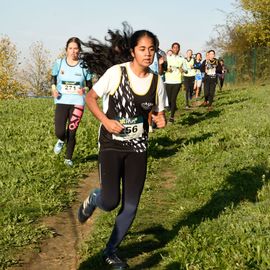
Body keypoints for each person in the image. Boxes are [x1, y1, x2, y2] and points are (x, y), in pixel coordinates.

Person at [77, 23, 167, 269]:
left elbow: (156, 113)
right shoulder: (116, 73)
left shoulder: (157, 82)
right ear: (132, 52)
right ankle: (95, 198)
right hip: (112, 145)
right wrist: (106, 121)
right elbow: (91, 98)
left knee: (131, 205)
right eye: (142, 49)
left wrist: (160, 119)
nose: (147, 53)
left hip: (138, 147)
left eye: (151, 49)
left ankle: (111, 251)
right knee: (110, 201)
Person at [51, 37, 92, 167]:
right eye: (70, 48)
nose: (73, 51)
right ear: (66, 50)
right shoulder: (59, 62)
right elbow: (53, 78)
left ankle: (68, 158)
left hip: (78, 102)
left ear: (79, 50)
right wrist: (53, 89)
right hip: (61, 100)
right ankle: (61, 140)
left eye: (76, 48)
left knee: (72, 131)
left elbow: (90, 85)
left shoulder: (84, 65)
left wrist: (84, 89)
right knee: (60, 131)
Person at [164, 42, 184, 122]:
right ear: (172, 49)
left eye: (177, 47)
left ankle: (172, 117)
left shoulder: (181, 59)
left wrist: (182, 70)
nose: (176, 49)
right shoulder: (167, 57)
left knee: (173, 99)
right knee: (168, 100)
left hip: (177, 81)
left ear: (179, 49)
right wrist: (166, 69)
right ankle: (172, 108)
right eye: (174, 47)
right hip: (168, 81)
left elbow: (186, 70)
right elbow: (163, 67)